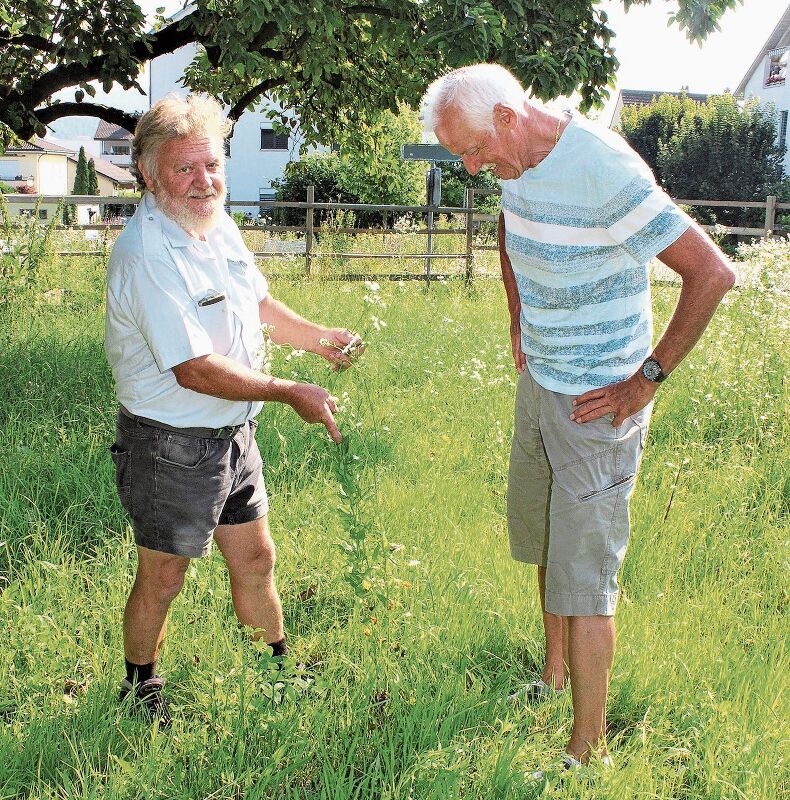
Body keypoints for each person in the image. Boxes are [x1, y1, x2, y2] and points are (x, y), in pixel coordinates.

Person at [421, 64, 735, 771]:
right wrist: (517, 323)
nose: (472, 169)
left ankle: (584, 752)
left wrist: (644, 382)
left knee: (586, 579)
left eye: (472, 151)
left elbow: (712, 273)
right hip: (541, 384)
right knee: (544, 540)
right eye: (460, 158)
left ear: (507, 116)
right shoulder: (512, 163)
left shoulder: (601, 166)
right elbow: (510, 234)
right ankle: (551, 675)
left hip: (599, 401)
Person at [105, 94, 362, 726]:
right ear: (147, 172)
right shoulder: (146, 254)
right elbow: (192, 369)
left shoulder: (214, 224)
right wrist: (287, 390)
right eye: (185, 169)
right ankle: (140, 689)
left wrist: (319, 338)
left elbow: (259, 305)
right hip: (170, 442)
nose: (204, 182)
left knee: (255, 558)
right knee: (164, 576)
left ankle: (276, 671)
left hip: (232, 431)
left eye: (212, 166)